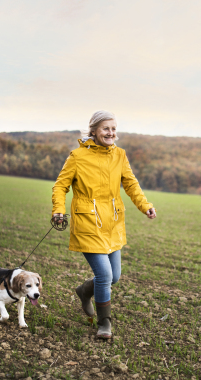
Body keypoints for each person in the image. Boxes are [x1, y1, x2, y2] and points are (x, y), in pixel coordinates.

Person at [51, 111, 156, 339]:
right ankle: (104, 323)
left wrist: (144, 205)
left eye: (114, 129)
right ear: (94, 131)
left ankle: (84, 291)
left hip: (113, 223)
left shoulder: (120, 155)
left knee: (114, 277)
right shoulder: (77, 156)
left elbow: (131, 184)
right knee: (105, 275)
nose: (111, 133)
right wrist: (58, 209)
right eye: (106, 129)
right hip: (88, 222)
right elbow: (60, 186)